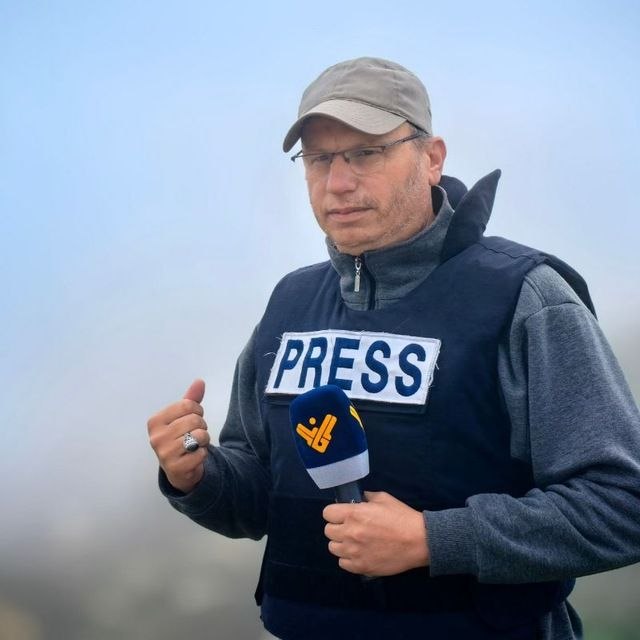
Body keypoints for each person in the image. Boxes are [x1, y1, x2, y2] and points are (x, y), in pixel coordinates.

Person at [147, 57, 640, 639]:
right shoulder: (290, 304)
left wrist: (435, 539)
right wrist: (197, 475)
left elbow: (622, 506)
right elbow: (257, 498)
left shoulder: (525, 299)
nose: (338, 183)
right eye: (319, 159)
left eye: (366, 153)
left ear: (432, 158)